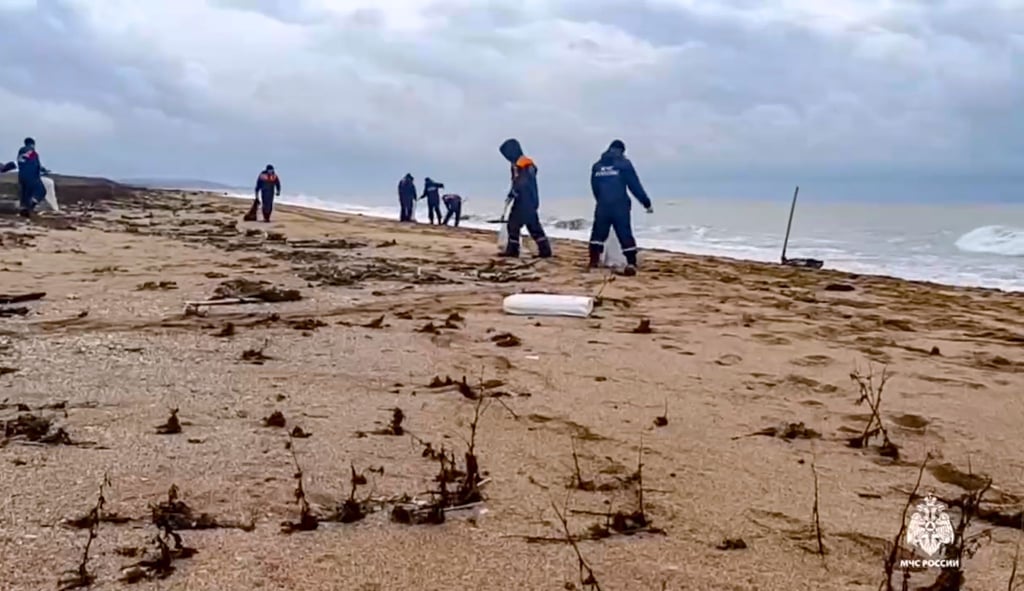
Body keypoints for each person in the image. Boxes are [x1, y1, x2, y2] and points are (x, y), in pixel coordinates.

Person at [587, 139, 652, 276]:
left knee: (598, 234)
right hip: (620, 205)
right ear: (622, 151)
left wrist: (601, 201)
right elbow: (634, 185)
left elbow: (594, 187)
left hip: (603, 205)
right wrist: (646, 202)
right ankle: (631, 262)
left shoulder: (597, 166)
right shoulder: (624, 164)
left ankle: (593, 262)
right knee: (624, 233)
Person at [498, 138, 551, 258]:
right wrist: (512, 192)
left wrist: (516, 190)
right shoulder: (515, 164)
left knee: (514, 224)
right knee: (532, 225)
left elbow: (525, 180)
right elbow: (516, 181)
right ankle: (545, 250)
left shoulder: (526, 163)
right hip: (523, 199)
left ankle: (513, 250)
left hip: (527, 199)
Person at [15, 137, 50, 217]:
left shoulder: (20, 152)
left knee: (25, 193)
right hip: (32, 176)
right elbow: (36, 164)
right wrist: (44, 171)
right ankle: (30, 205)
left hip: (21, 176)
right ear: (33, 144)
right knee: (41, 191)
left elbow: (21, 163)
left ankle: (23, 211)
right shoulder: (33, 153)